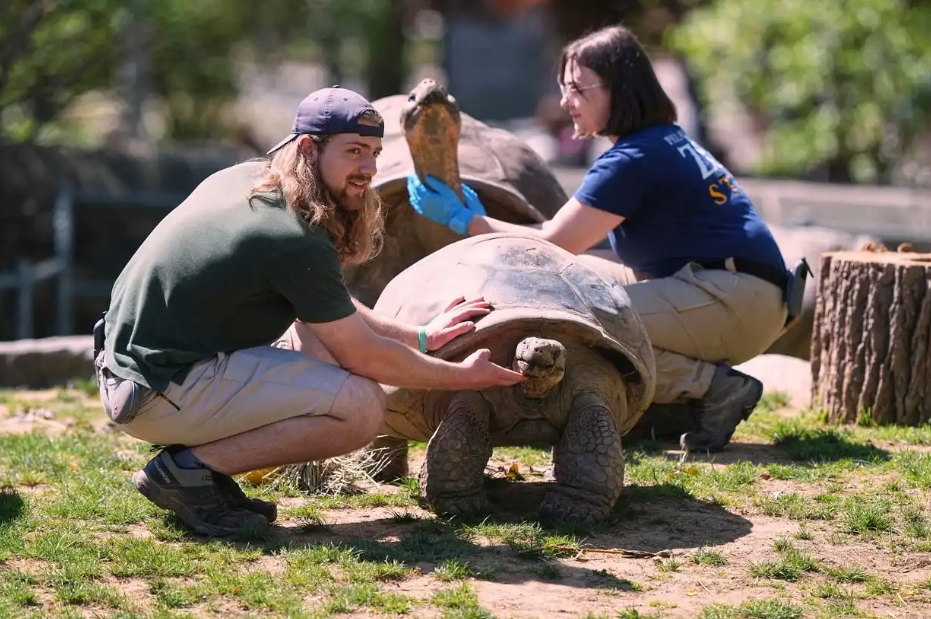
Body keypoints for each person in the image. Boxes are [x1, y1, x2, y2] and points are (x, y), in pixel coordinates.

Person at [95, 86, 526, 537]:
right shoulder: (291, 237)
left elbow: (328, 310)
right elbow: (365, 357)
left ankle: (203, 477)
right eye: (354, 151)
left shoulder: (247, 180)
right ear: (307, 148)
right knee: (361, 407)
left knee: (324, 346)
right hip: (154, 391)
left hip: (137, 373)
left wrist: (421, 338)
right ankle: (184, 472)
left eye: (375, 153)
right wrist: (462, 376)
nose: (369, 169)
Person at [405, 25, 791, 453]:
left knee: (585, 326)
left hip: (734, 299)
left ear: (618, 88)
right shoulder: (657, 142)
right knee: (568, 287)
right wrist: (476, 218)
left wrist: (465, 219)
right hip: (741, 292)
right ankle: (679, 402)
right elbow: (566, 248)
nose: (565, 101)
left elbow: (552, 242)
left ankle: (713, 388)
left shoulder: (634, 159)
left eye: (576, 88)